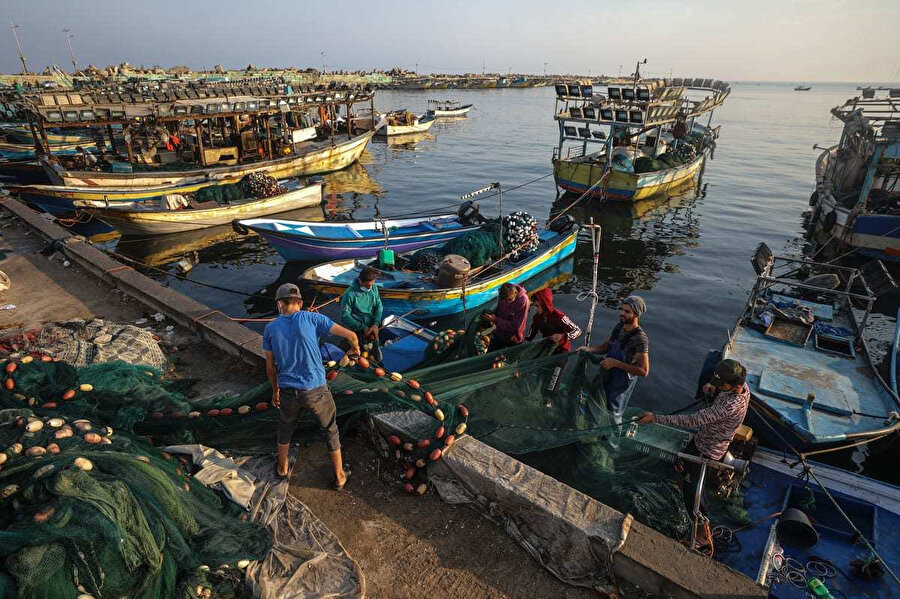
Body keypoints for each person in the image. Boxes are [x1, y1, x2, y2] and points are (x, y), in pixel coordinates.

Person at [638, 359, 749, 546]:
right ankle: (686, 481)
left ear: (732, 385)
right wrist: (714, 390)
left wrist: (655, 418)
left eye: (721, 385)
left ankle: (702, 534)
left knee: (693, 492)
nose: (718, 386)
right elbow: (721, 394)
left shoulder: (729, 406)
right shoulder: (742, 386)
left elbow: (692, 421)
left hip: (707, 450)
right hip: (701, 440)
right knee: (684, 471)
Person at [264, 283, 360, 488]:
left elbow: (270, 369)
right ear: (299, 303)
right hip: (316, 389)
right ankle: (340, 476)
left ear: (280, 304)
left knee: (285, 428)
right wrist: (355, 351)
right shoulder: (312, 318)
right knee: (330, 430)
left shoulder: (270, 328)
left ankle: (282, 468)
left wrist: (275, 391)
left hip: (289, 390)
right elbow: (351, 335)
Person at [578, 295, 650, 424]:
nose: (622, 313)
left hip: (620, 384)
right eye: (621, 309)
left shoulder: (640, 339)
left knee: (612, 415)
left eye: (627, 311)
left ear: (636, 314)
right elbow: (605, 347)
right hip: (605, 375)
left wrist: (615, 363)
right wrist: (589, 350)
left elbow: (644, 371)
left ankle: (610, 441)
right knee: (594, 403)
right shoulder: (619, 328)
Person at [526, 288, 582, 353]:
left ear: (544, 305)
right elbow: (532, 331)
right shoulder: (537, 317)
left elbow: (577, 330)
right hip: (547, 347)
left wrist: (562, 336)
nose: (535, 309)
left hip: (561, 350)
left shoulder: (560, 316)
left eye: (537, 306)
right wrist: (527, 340)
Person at [339, 266, 383, 346]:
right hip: (358, 326)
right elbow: (345, 316)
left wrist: (375, 324)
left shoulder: (374, 287)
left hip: (372, 324)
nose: (370, 288)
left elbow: (379, 306)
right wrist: (362, 327)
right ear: (359, 281)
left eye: (371, 284)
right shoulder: (349, 294)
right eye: (367, 285)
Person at [483, 282, 530, 352]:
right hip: (499, 333)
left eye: (509, 300)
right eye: (504, 300)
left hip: (513, 338)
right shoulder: (504, 296)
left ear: (516, 293)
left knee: (509, 360)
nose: (507, 302)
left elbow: (515, 325)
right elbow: (499, 310)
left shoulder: (523, 301)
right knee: (489, 357)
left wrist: (495, 320)